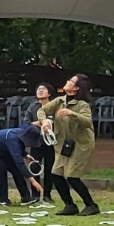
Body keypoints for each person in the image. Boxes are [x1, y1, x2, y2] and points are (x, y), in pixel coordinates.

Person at [37, 74, 99, 216]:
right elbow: (42, 110)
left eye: (70, 81)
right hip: (63, 144)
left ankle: (91, 205)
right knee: (56, 174)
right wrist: (44, 121)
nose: (66, 82)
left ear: (76, 88)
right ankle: (69, 205)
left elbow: (87, 122)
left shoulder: (82, 105)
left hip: (81, 144)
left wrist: (72, 114)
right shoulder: (59, 101)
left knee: (72, 176)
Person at [0, 125, 45, 205]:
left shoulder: (20, 134)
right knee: (1, 169)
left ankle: (26, 198)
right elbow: (19, 162)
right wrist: (33, 181)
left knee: (16, 170)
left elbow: (19, 147)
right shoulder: (13, 139)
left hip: (3, 149)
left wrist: (25, 155)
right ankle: (2, 200)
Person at [24, 83, 56, 204]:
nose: (40, 91)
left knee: (50, 168)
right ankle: (35, 195)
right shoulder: (32, 107)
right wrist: (37, 123)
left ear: (49, 93)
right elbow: (26, 123)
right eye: (39, 89)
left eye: (44, 89)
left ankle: (47, 195)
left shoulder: (54, 106)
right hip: (36, 141)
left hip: (51, 142)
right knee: (35, 167)